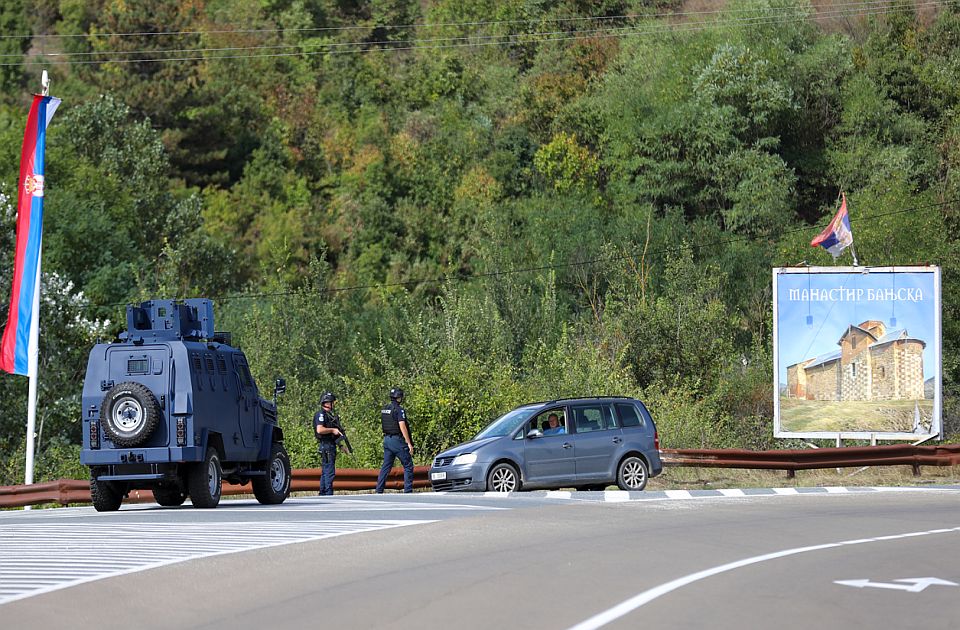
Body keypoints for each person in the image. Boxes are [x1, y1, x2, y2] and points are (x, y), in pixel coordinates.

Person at [375, 387, 415, 493]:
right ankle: (408, 490)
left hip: (387, 440)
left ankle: (379, 490)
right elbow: (402, 426)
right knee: (408, 465)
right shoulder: (399, 410)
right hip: (397, 441)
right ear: (399, 397)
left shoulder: (385, 409)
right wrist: (408, 443)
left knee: (386, 466)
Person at [314, 391, 343, 496]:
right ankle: (328, 493)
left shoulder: (330, 415)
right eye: (332, 402)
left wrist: (341, 445)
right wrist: (332, 430)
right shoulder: (321, 414)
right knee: (329, 471)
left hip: (330, 444)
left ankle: (323, 493)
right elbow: (320, 429)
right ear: (327, 403)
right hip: (326, 445)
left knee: (326, 471)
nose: (333, 404)